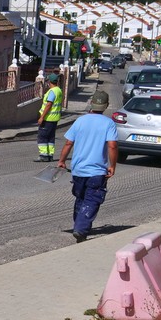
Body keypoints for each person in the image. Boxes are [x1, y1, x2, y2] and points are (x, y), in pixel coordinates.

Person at [57, 89, 118, 243]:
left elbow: (69, 142)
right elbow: (112, 146)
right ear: (106, 105)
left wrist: (62, 160)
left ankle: (78, 223)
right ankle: (81, 229)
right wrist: (113, 166)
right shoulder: (108, 123)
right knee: (92, 199)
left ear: (91, 103)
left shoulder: (80, 121)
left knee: (81, 197)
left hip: (78, 171)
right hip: (97, 171)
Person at [36, 72, 63, 162]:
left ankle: (43, 155)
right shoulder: (59, 90)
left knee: (42, 136)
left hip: (48, 118)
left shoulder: (52, 91)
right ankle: (50, 155)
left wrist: (42, 117)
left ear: (49, 82)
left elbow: (49, 104)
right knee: (51, 137)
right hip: (55, 118)